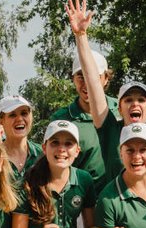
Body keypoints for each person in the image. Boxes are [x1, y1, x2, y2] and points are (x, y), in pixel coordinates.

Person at [67, 0, 146, 190]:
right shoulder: (110, 130)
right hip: (118, 215)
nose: (135, 104)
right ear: (119, 107)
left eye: (141, 100)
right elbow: (93, 82)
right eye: (128, 100)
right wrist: (80, 36)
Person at [48, 42, 116, 185]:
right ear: (73, 78)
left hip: (120, 199)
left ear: (106, 79)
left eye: (94, 77)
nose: (87, 83)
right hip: (82, 202)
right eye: (81, 76)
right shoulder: (61, 119)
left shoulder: (121, 110)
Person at [0, 95, 43, 183]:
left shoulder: (43, 154)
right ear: (1, 121)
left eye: (24, 113)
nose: (19, 119)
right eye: (12, 115)